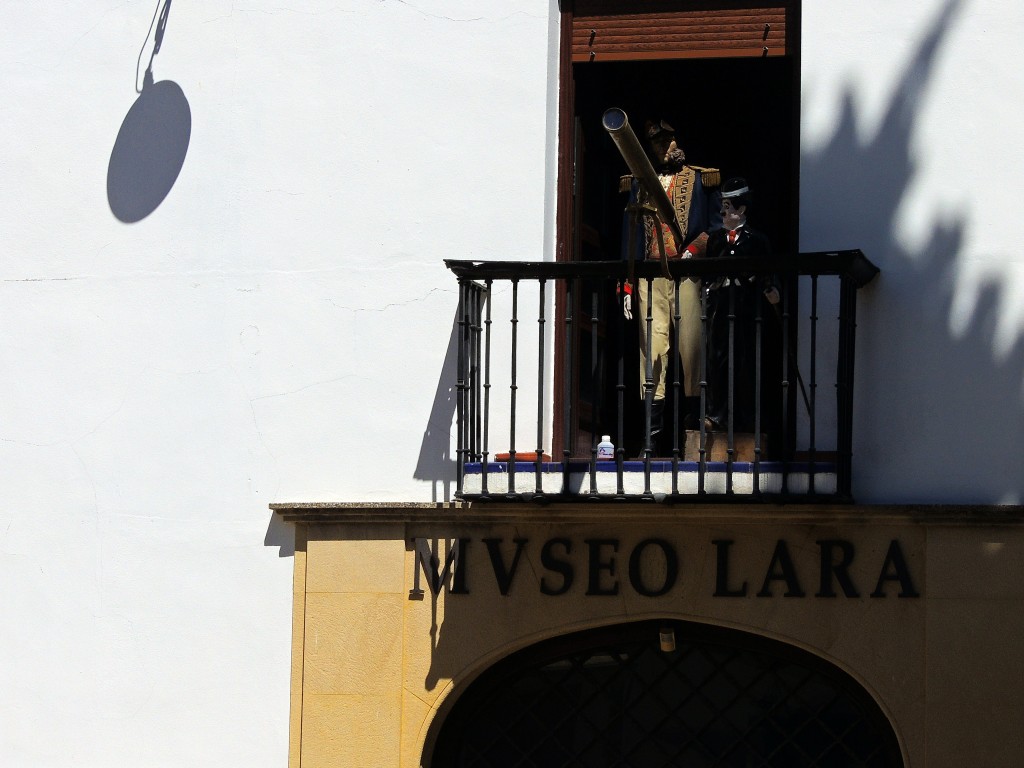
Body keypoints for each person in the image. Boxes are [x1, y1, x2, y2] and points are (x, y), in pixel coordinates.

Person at [620, 119, 721, 454]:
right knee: (651, 353)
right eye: (657, 144)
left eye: (668, 141)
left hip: (687, 272)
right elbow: (631, 236)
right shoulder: (640, 183)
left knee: (692, 347)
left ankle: (693, 434)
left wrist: (694, 250)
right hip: (650, 275)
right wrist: (628, 284)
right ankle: (650, 441)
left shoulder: (700, 178)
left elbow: (716, 226)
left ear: (677, 141)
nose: (664, 148)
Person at [703, 177, 779, 433]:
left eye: (728, 206)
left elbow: (768, 272)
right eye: (723, 206)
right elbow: (708, 274)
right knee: (718, 359)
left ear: (742, 209)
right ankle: (717, 415)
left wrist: (772, 288)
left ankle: (747, 417)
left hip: (747, 307)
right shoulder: (715, 240)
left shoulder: (756, 240)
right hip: (722, 306)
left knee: (746, 361)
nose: (724, 212)